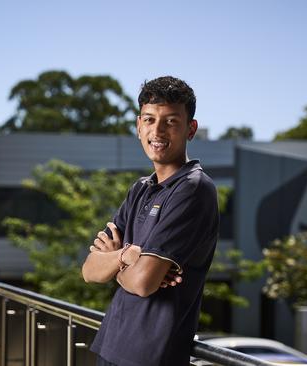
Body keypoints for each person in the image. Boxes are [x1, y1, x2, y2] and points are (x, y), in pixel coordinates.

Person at [82, 76, 220, 366]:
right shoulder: (140, 189)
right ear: (138, 126)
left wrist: (117, 264)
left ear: (190, 129)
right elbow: (90, 270)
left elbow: (144, 282)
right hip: (111, 344)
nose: (157, 131)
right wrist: (128, 255)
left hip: (152, 356)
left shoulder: (193, 189)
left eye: (170, 121)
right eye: (149, 119)